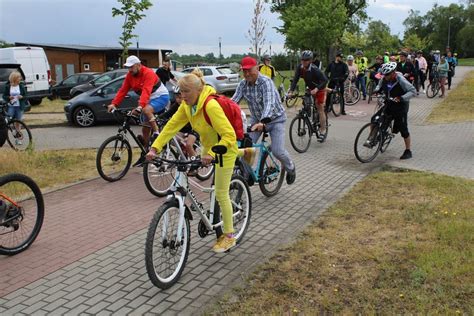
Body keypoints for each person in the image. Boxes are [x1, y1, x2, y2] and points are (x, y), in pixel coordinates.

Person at [146, 69, 239, 253]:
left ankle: (229, 236)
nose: (183, 95)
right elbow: (171, 127)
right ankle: (211, 215)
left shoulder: (210, 106)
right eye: (181, 92)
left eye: (186, 92)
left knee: (221, 193)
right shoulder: (187, 106)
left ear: (197, 91)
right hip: (207, 149)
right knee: (200, 182)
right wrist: (154, 148)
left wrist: (212, 153)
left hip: (224, 150)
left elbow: (229, 135)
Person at [232, 56, 296, 184]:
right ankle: (247, 174)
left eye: (249, 70)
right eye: (244, 71)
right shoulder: (242, 84)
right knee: (243, 148)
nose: (247, 74)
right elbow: (233, 103)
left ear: (257, 68)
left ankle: (290, 167)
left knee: (278, 151)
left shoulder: (266, 82)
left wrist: (263, 122)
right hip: (256, 121)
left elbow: (269, 103)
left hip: (276, 119)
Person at [107, 55, 169, 166]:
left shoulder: (148, 73)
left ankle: (156, 133)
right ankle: (145, 154)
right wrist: (114, 103)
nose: (129, 70)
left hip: (161, 97)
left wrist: (140, 106)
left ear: (139, 65)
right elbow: (123, 90)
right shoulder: (130, 76)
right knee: (145, 130)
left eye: (131, 67)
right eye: (128, 67)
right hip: (147, 101)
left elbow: (146, 91)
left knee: (146, 110)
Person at [370, 62, 416, 159]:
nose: (385, 77)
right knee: (374, 119)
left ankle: (408, 150)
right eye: (384, 75)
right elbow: (379, 86)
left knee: (403, 129)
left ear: (393, 73)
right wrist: (376, 90)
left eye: (387, 74)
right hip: (389, 103)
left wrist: (401, 98)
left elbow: (413, 91)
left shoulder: (400, 79)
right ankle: (372, 139)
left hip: (401, 106)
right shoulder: (384, 78)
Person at [288, 51, 329, 140]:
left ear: (310, 60)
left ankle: (322, 130)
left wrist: (317, 89)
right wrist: (291, 91)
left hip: (320, 88)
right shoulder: (300, 67)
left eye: (306, 60)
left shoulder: (315, 69)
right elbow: (295, 80)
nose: (304, 62)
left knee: (320, 107)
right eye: (302, 60)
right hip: (310, 88)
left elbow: (325, 80)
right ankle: (309, 120)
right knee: (306, 103)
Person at [159, 85, 197, 157]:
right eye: (177, 98)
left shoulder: (190, 105)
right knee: (171, 138)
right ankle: (180, 154)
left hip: (191, 129)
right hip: (181, 130)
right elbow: (168, 113)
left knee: (188, 144)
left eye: (180, 97)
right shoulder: (176, 105)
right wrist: (158, 118)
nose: (178, 100)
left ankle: (194, 160)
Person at [2, 71, 28, 145]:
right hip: (11, 107)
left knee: (18, 123)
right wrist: (9, 97)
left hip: (19, 107)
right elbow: (4, 96)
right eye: (18, 77)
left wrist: (22, 97)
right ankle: (4, 138)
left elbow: (26, 96)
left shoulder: (21, 86)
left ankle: (18, 139)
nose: (20, 78)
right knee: (8, 122)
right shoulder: (8, 86)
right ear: (14, 78)